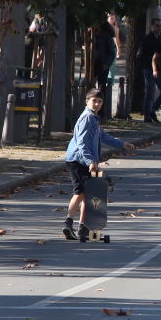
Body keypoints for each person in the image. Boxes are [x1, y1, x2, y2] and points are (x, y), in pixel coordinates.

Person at [63, 89, 128, 241]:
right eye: (94, 101)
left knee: (87, 194)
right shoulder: (87, 118)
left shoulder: (94, 118)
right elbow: (81, 143)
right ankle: (69, 223)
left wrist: (122, 144)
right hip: (77, 160)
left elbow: (103, 136)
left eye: (100, 101)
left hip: (84, 159)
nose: (97, 104)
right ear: (87, 101)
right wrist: (90, 161)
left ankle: (82, 227)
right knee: (80, 192)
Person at [134, 21, 161, 122]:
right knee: (149, 92)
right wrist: (150, 62)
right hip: (149, 69)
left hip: (159, 69)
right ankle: (147, 115)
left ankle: (152, 110)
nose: (159, 28)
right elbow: (140, 55)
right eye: (157, 25)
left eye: (160, 26)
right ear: (152, 26)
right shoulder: (147, 39)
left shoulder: (160, 39)